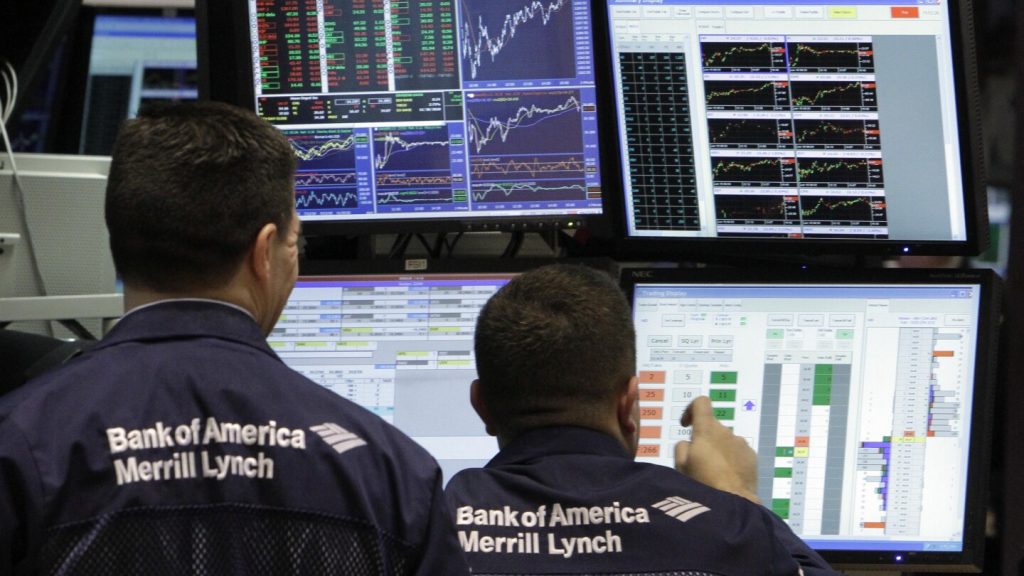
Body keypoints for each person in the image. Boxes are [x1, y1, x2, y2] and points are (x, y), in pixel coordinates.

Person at [0, 102, 469, 575]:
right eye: (294, 241)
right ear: (264, 251)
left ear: (118, 240)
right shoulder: (391, 474)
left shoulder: (21, 443)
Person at [445, 264, 838, 575]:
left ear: (481, 405)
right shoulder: (725, 529)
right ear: (629, 403)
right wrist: (735, 493)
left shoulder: (431, 527)